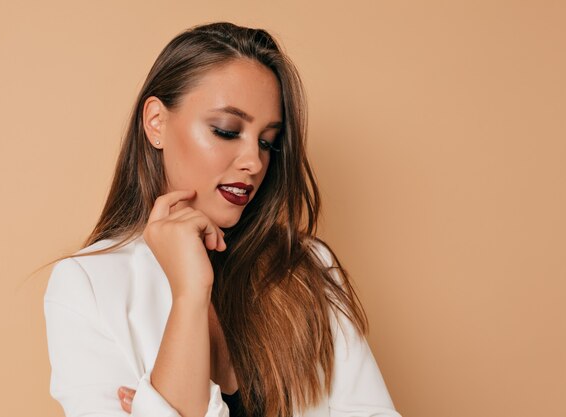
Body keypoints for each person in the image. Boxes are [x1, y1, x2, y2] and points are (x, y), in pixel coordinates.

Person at [43, 21, 402, 417]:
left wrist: (158, 407)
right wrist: (190, 294)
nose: (253, 161)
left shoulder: (306, 267)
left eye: (268, 141)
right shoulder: (87, 287)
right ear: (156, 123)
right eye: (227, 130)